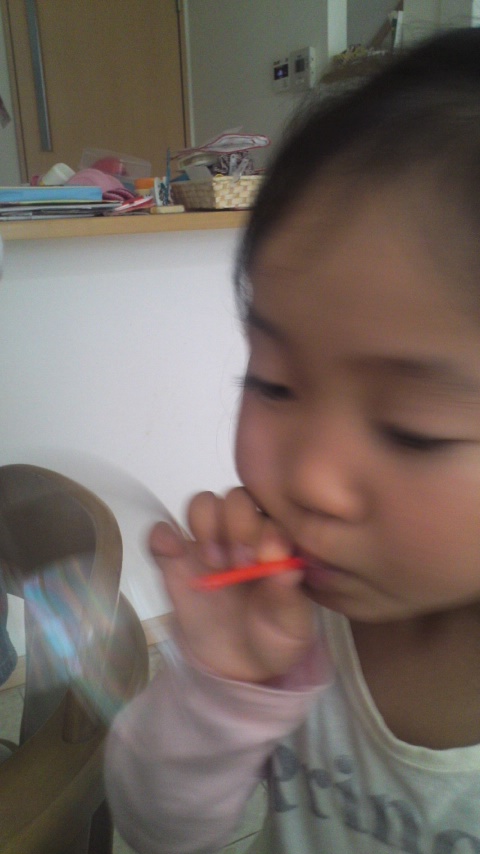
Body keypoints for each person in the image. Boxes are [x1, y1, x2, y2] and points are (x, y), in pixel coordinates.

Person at [105, 28, 480, 854]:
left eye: (413, 429)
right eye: (274, 381)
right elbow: (153, 830)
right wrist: (219, 695)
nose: (308, 479)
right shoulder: (284, 620)